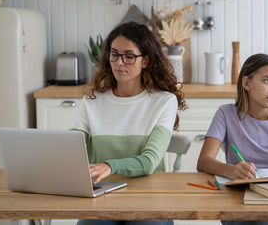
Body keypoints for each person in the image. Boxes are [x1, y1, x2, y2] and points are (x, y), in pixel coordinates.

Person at [74, 22, 186, 225]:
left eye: (129, 56)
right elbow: (70, 148)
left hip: (149, 199)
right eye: (114, 54)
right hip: (102, 197)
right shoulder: (92, 102)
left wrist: (109, 166)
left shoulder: (164, 101)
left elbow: (150, 160)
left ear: (146, 61)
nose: (119, 62)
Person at [197, 53, 268, 225]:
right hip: (238, 201)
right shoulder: (226, 114)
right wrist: (231, 171)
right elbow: (204, 161)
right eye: (267, 81)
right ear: (246, 83)